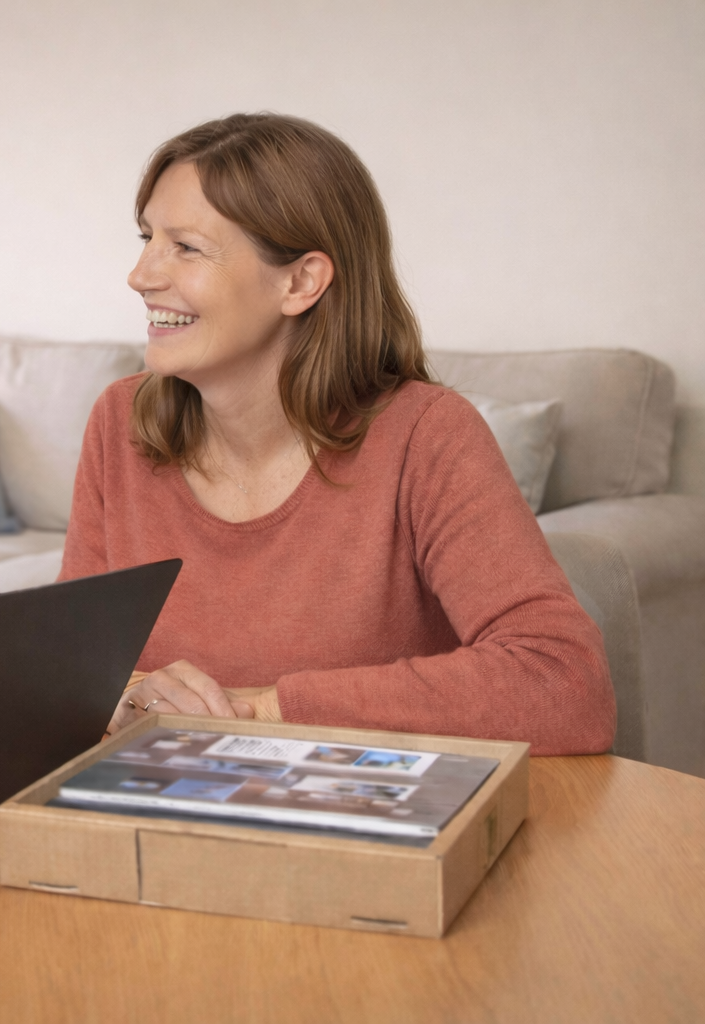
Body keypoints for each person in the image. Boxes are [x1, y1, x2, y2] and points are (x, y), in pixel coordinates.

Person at [63, 113, 615, 754]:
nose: (141, 274)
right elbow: (68, 666)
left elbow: (564, 682)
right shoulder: (120, 423)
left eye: (185, 247)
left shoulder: (426, 436)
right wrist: (131, 698)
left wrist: (257, 712)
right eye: (147, 238)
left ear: (300, 281)